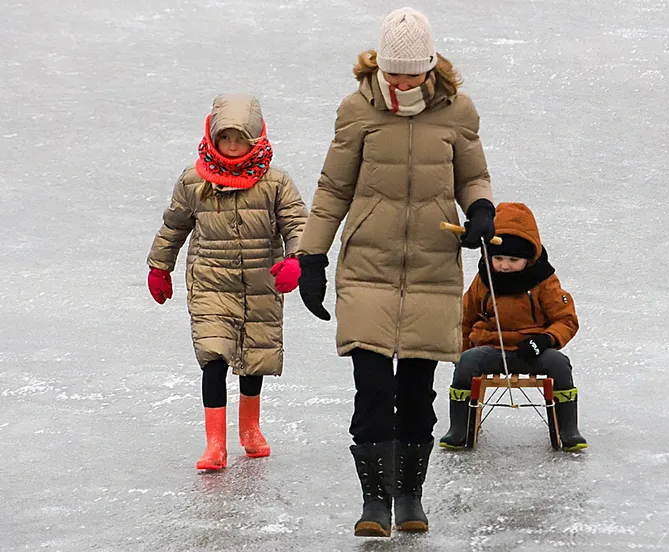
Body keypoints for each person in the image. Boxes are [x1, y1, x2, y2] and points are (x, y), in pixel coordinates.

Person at [295, 7, 495, 537]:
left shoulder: (457, 112)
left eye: (411, 71)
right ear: (379, 65)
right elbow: (333, 189)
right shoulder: (355, 111)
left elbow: (473, 176)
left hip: (432, 268)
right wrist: (311, 257)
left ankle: (409, 497)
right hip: (367, 268)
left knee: (416, 393)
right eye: (393, 70)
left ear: (430, 66)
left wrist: (480, 210)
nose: (401, 80)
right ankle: (373, 503)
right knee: (372, 389)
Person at [146, 94, 307, 471]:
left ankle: (250, 428)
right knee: (213, 357)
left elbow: (297, 224)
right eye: (226, 138)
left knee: (253, 359)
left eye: (240, 139)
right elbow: (174, 226)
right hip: (210, 283)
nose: (232, 147)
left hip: (259, 283)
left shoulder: (275, 182)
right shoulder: (194, 181)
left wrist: (295, 260)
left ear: (255, 140)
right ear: (213, 137)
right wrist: (159, 266)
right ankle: (214, 443)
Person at [438, 202, 588, 452]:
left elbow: (566, 320)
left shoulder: (544, 281)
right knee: (467, 362)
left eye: (513, 259)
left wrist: (545, 340)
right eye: (498, 258)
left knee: (559, 364)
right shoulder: (483, 280)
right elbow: (464, 319)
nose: (504, 265)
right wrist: (461, 353)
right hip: (490, 350)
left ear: (529, 259)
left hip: (532, 351)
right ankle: (459, 428)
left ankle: (568, 429)